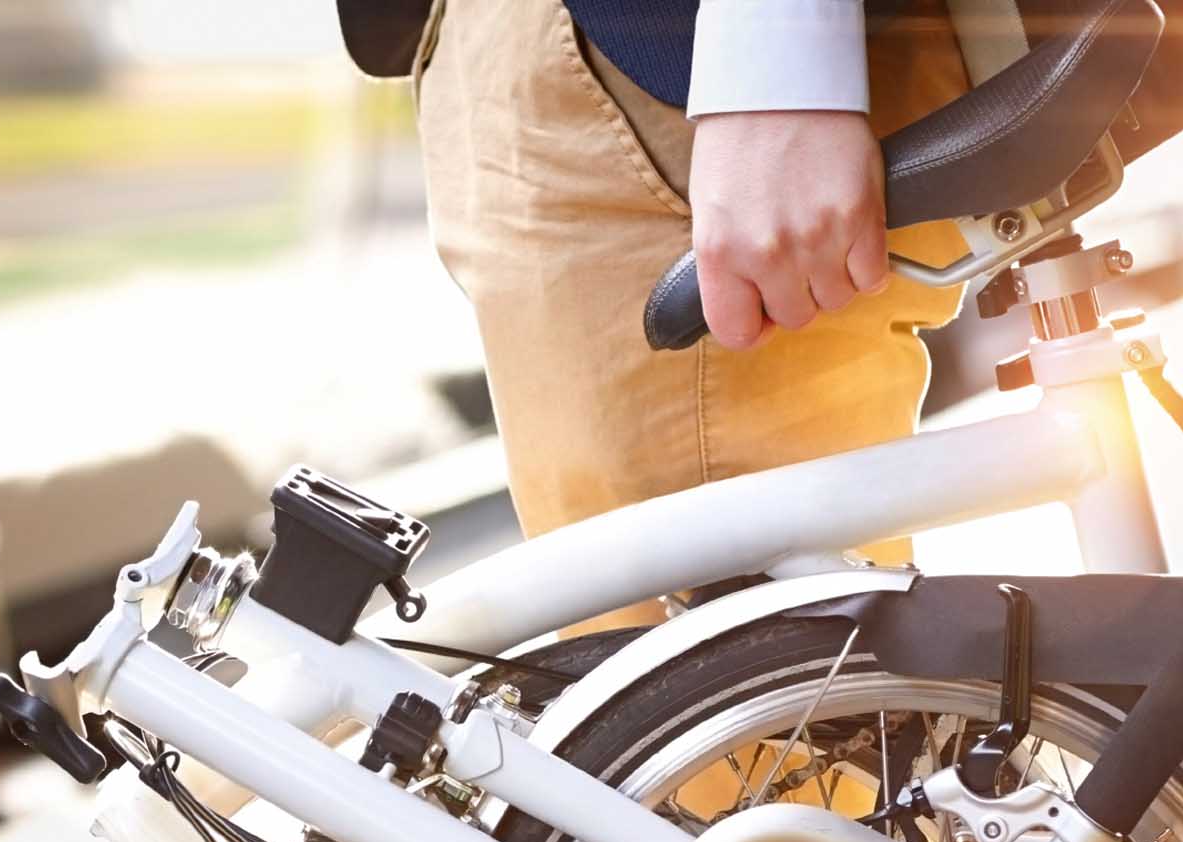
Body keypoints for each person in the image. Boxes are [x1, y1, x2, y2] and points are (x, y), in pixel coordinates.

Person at [343, 0, 978, 630]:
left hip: (669, 68)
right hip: (594, 65)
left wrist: (771, 69)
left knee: (731, 692)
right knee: (645, 686)